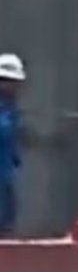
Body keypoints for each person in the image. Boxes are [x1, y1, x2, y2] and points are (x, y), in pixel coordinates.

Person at [0, 54, 26, 236]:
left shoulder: (10, 106)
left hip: (5, 172)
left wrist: (15, 159)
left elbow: (10, 137)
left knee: (7, 220)